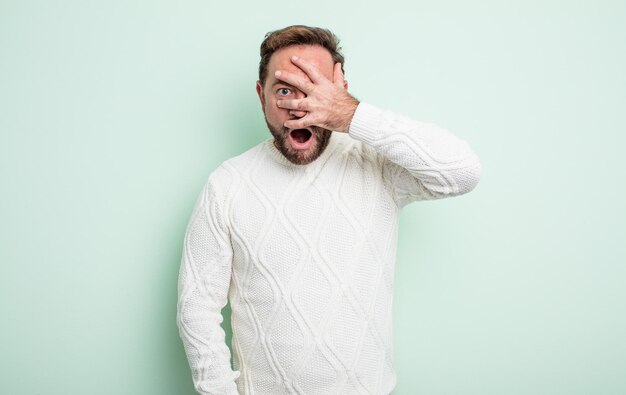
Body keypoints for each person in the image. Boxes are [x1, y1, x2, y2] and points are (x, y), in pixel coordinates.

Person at [177, 25, 481, 395]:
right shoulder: (227, 185)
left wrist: (352, 116)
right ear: (261, 96)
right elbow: (197, 308)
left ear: (340, 91)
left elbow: (462, 172)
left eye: (315, 88)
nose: (299, 106)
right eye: (285, 90)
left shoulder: (377, 167)